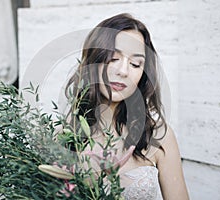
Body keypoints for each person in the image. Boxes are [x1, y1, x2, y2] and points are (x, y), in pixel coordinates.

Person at [64, 13, 189, 200]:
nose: (123, 71)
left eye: (135, 64)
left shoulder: (159, 136)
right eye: (113, 58)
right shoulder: (63, 136)